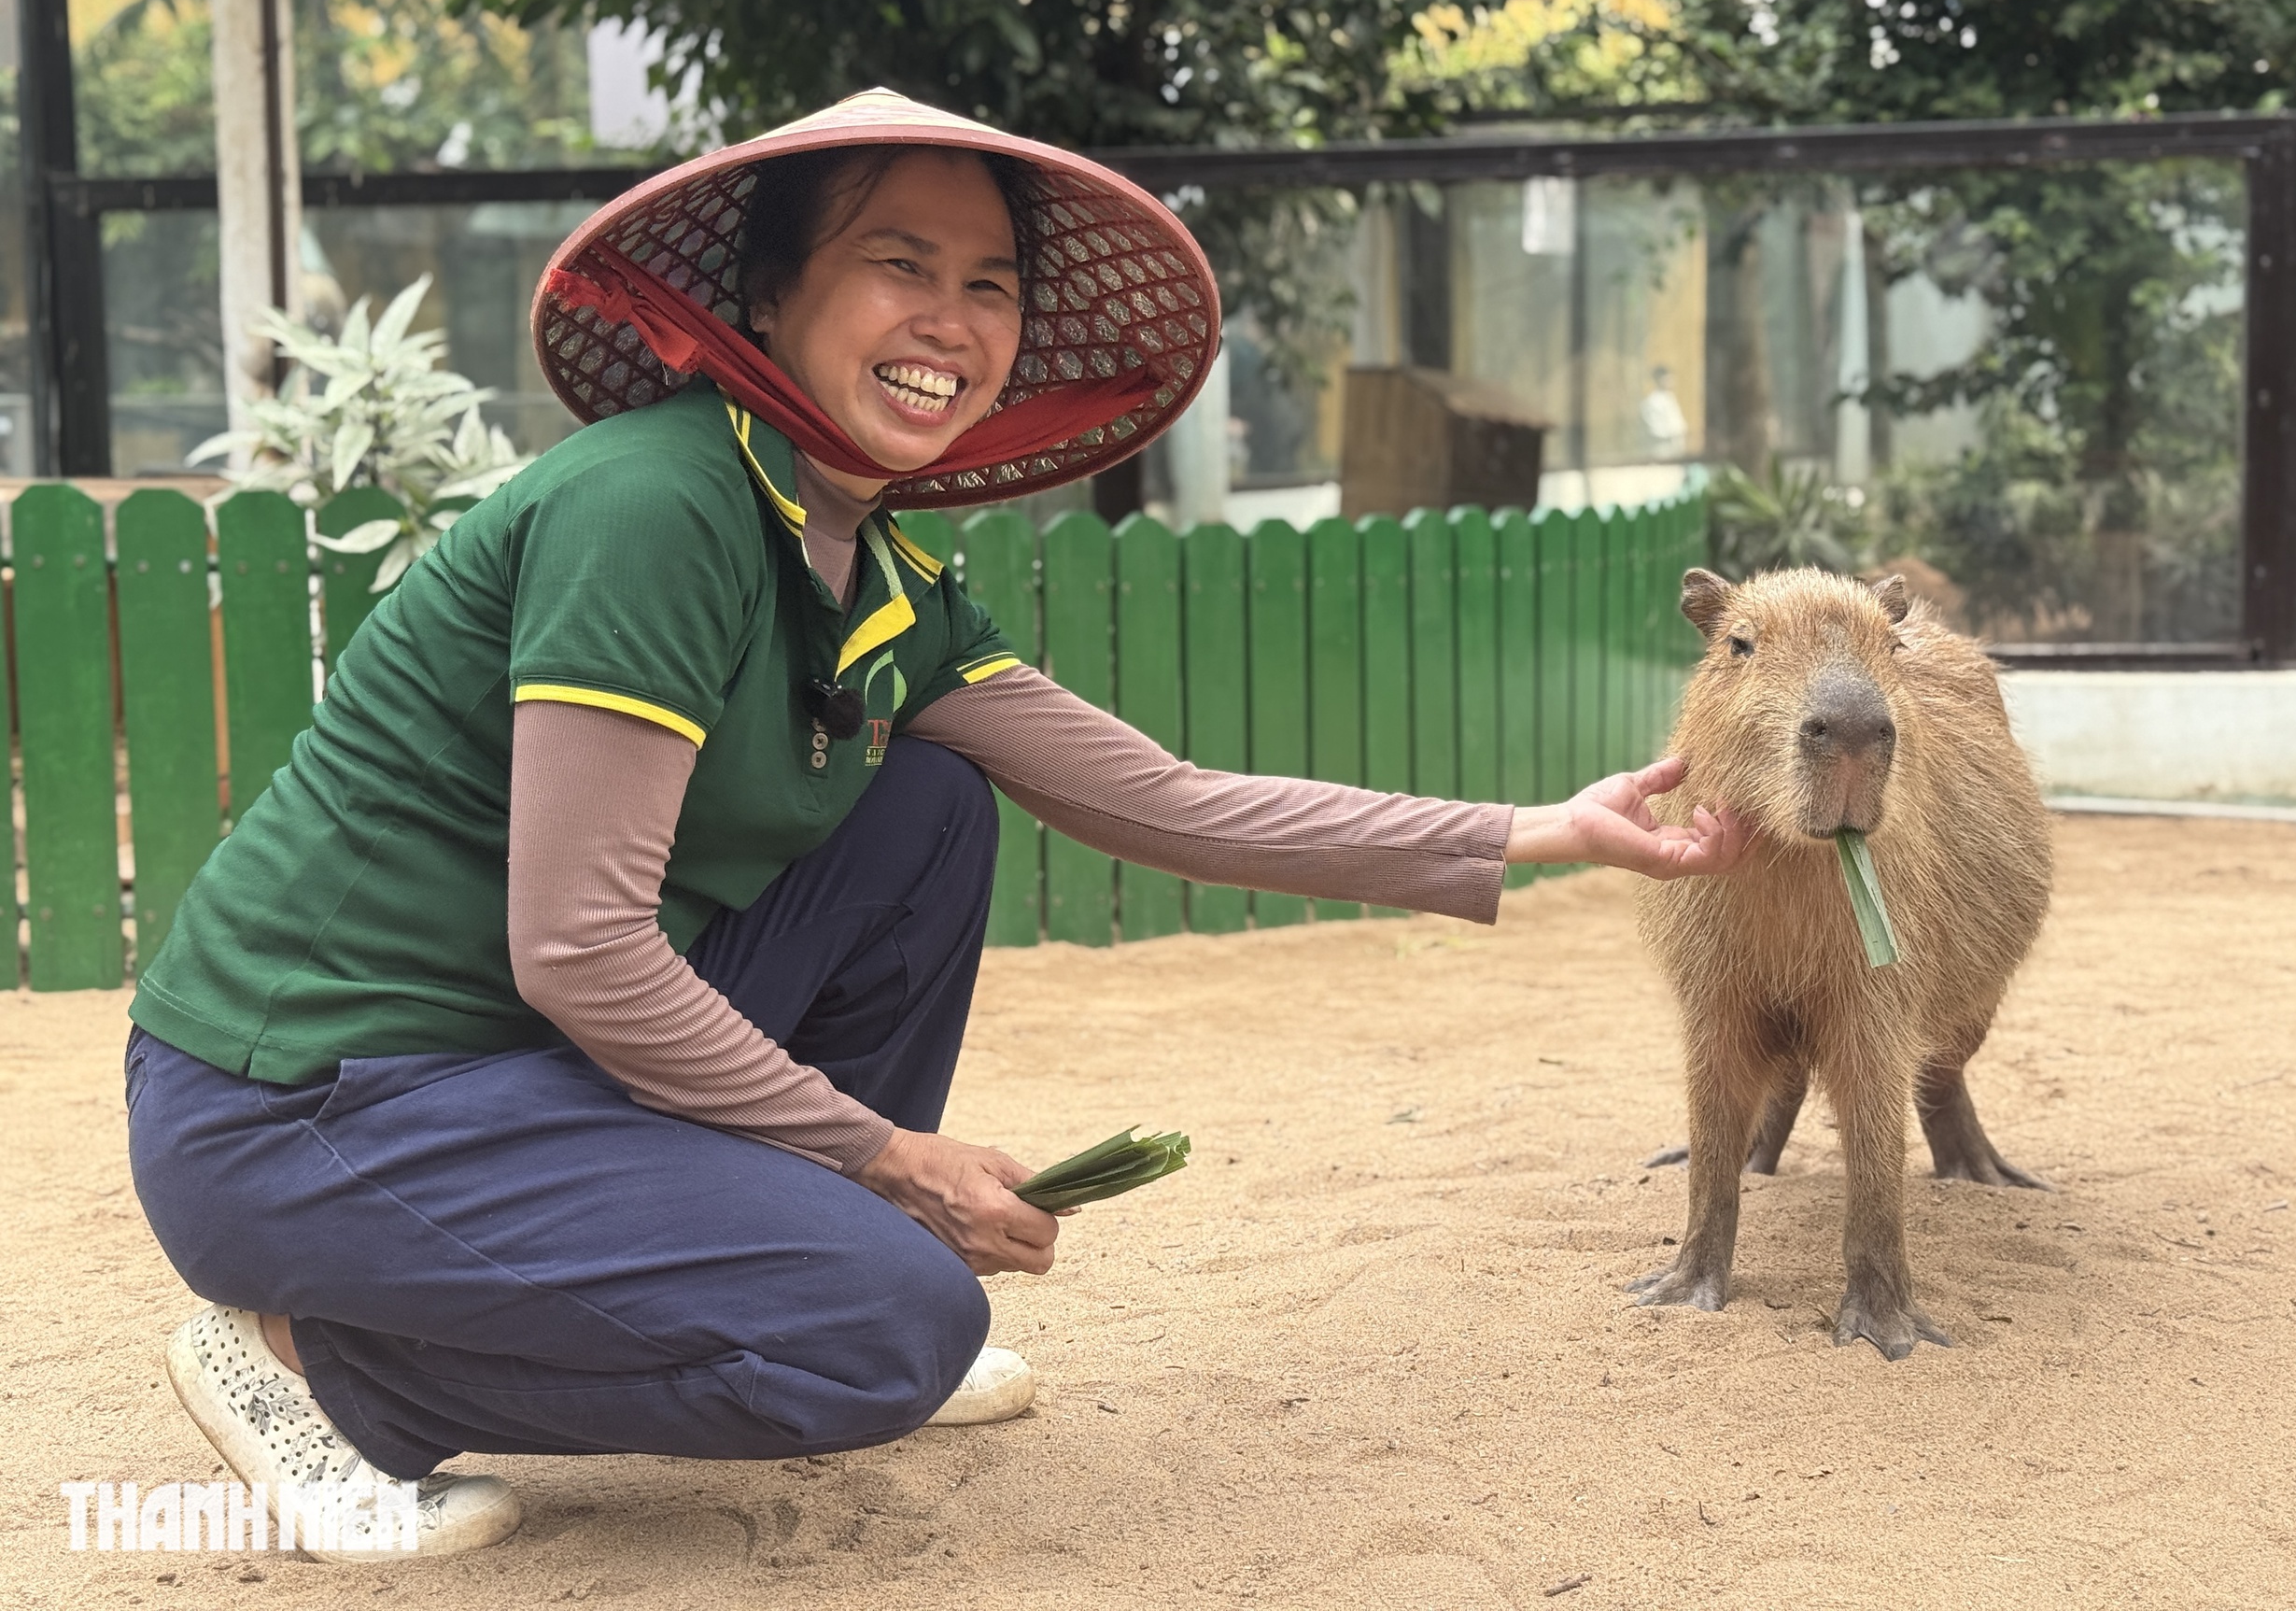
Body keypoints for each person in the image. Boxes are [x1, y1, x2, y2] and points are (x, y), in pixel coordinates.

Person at [124, 90, 1745, 1562]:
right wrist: (888, 1162)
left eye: (990, 286)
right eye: (900, 264)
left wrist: (1548, 830)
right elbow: (581, 946)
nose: (951, 323)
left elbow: (1165, 798)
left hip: (510, 1081)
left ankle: (809, 1271)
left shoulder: (874, 573)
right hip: (306, 1106)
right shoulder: (658, 506)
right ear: (768, 302)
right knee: (890, 1334)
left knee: (924, 808)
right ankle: (318, 1363)